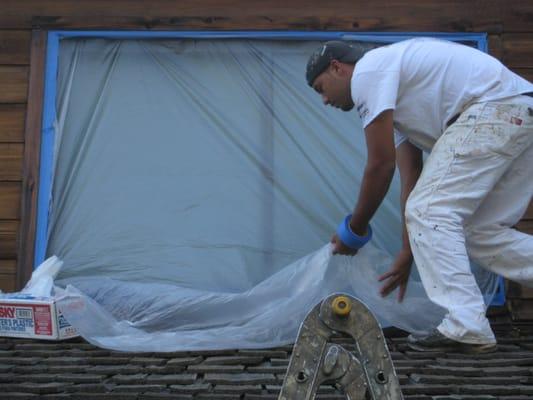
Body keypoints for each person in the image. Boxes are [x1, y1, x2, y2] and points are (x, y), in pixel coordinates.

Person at [306, 38, 533, 353]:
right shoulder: (396, 104)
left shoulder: (369, 71)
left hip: (493, 110)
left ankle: (466, 323)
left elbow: (380, 166)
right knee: (479, 232)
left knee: (430, 209)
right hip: (517, 112)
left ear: (337, 68)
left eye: (320, 87)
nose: (324, 100)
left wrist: (354, 231)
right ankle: (467, 321)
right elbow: (410, 177)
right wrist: (407, 251)